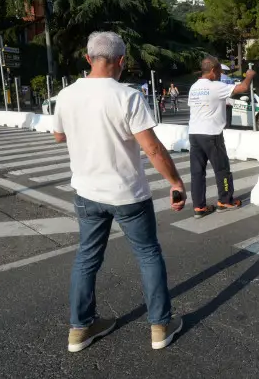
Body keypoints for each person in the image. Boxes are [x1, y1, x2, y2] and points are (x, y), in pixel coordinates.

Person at [53, 32, 186, 352]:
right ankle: (160, 326)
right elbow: (152, 148)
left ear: (88, 59)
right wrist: (176, 182)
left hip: (86, 192)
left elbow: (59, 136)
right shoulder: (127, 96)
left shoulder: (66, 94)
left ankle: (80, 329)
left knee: (86, 259)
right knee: (148, 255)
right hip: (127, 195)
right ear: (122, 61)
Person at [187, 56, 256, 218]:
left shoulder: (194, 87)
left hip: (194, 134)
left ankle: (199, 207)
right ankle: (225, 200)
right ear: (212, 71)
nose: (220, 74)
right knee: (222, 169)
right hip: (211, 134)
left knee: (197, 172)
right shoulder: (216, 86)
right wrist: (250, 75)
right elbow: (243, 87)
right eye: (218, 71)